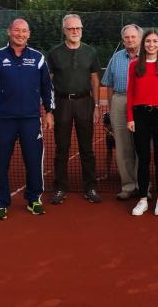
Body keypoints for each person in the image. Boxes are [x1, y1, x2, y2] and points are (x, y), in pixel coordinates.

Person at [0, 18, 54, 220]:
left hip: (32, 120)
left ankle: (34, 199)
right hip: (5, 121)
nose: (20, 34)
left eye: (24, 31)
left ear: (29, 34)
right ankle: (0, 203)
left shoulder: (38, 58)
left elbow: (47, 88)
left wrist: (49, 111)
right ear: (9, 32)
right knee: (1, 163)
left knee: (34, 161)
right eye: (16, 30)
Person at [47, 14, 101, 205]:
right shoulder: (54, 53)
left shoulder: (90, 52)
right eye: (71, 29)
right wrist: (48, 110)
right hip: (61, 104)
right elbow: (48, 82)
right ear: (64, 31)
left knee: (87, 149)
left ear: (82, 30)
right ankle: (60, 188)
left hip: (85, 103)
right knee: (62, 148)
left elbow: (95, 79)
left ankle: (90, 187)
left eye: (78, 28)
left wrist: (95, 106)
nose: (75, 32)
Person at [127, 30, 158, 216]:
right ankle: (142, 199)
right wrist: (130, 117)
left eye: (155, 41)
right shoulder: (134, 66)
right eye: (148, 41)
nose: (151, 44)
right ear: (143, 44)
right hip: (140, 115)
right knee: (143, 158)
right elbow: (130, 93)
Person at [101, 24, 142, 200]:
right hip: (120, 99)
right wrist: (112, 108)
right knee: (123, 146)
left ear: (140, 38)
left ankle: (143, 185)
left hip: (141, 102)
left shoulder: (149, 57)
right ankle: (128, 186)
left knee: (141, 145)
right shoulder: (116, 58)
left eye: (133, 37)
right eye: (126, 37)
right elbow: (108, 83)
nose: (130, 40)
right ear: (123, 39)